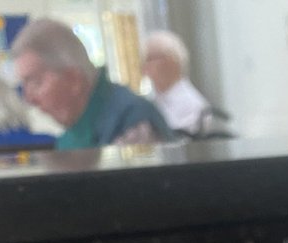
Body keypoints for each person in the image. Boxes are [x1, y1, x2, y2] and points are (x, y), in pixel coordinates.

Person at [11, 18, 173, 150]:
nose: (29, 99)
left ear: (74, 79)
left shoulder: (133, 119)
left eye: (36, 83)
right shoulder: (69, 137)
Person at [141, 30, 211, 136]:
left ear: (171, 61)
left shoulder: (192, 105)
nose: (144, 66)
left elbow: (173, 143)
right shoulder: (152, 102)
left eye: (150, 58)